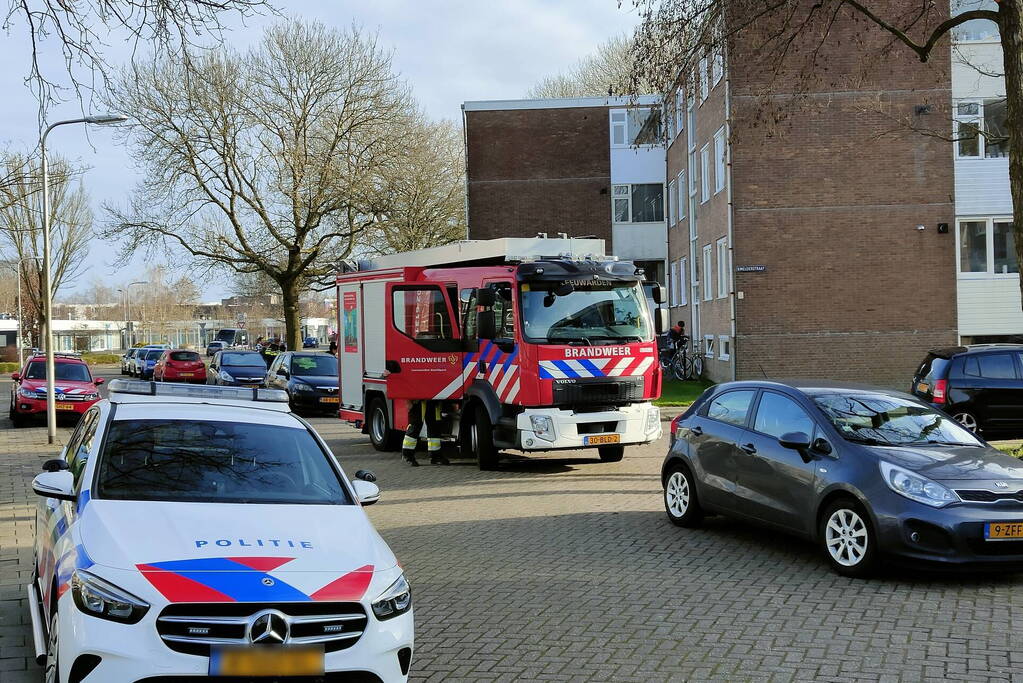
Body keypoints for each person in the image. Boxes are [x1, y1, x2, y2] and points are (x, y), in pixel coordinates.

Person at [401, 400, 449, 467]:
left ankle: (435, 456)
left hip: (433, 399)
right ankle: (407, 456)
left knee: (434, 426)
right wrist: (409, 400)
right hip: (418, 400)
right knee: (415, 426)